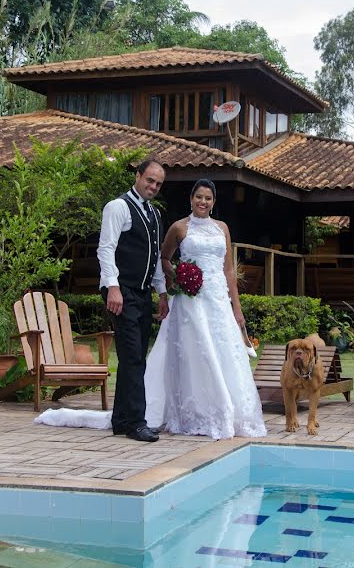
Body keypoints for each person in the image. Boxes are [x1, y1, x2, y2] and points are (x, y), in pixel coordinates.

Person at [144, 179, 267, 439]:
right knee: (197, 355)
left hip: (218, 300)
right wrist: (177, 276)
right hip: (191, 302)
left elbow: (229, 270)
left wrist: (237, 307)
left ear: (213, 202)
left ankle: (231, 413)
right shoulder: (179, 227)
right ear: (191, 199)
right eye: (199, 197)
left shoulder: (222, 228)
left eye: (208, 198)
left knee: (225, 353)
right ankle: (198, 413)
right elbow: (164, 257)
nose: (203, 202)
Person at [97, 158, 169, 443]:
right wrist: (112, 287)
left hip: (141, 293)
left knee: (134, 355)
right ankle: (137, 422)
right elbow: (106, 249)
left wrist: (162, 292)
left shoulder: (154, 214)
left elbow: (155, 258)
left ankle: (122, 420)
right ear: (138, 176)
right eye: (149, 180)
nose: (153, 186)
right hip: (122, 290)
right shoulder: (118, 207)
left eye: (158, 183)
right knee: (133, 356)